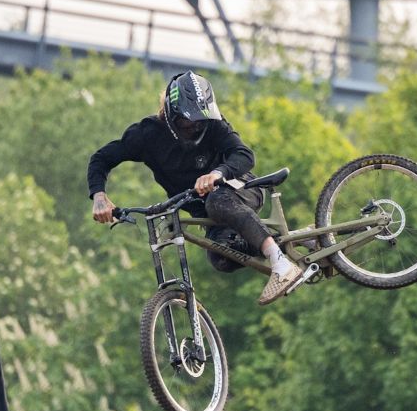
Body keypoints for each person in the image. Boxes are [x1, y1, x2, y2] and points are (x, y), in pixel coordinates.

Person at [88, 70, 305, 305]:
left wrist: (217, 173)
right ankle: (294, 240)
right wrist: (99, 196)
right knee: (221, 257)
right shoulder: (147, 134)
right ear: (171, 115)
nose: (194, 127)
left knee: (217, 200)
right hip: (208, 213)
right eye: (187, 121)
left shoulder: (214, 125)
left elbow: (244, 154)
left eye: (199, 121)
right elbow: (101, 158)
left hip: (240, 189)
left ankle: (281, 265)